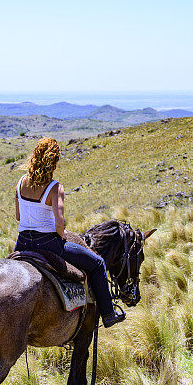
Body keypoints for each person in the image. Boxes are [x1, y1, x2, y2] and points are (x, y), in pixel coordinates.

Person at [14, 137, 125, 328]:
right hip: (49, 244)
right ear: (54, 162)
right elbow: (59, 223)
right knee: (98, 264)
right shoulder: (55, 187)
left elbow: (18, 216)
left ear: (34, 157)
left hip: (22, 243)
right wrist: (62, 234)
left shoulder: (21, 182)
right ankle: (108, 314)